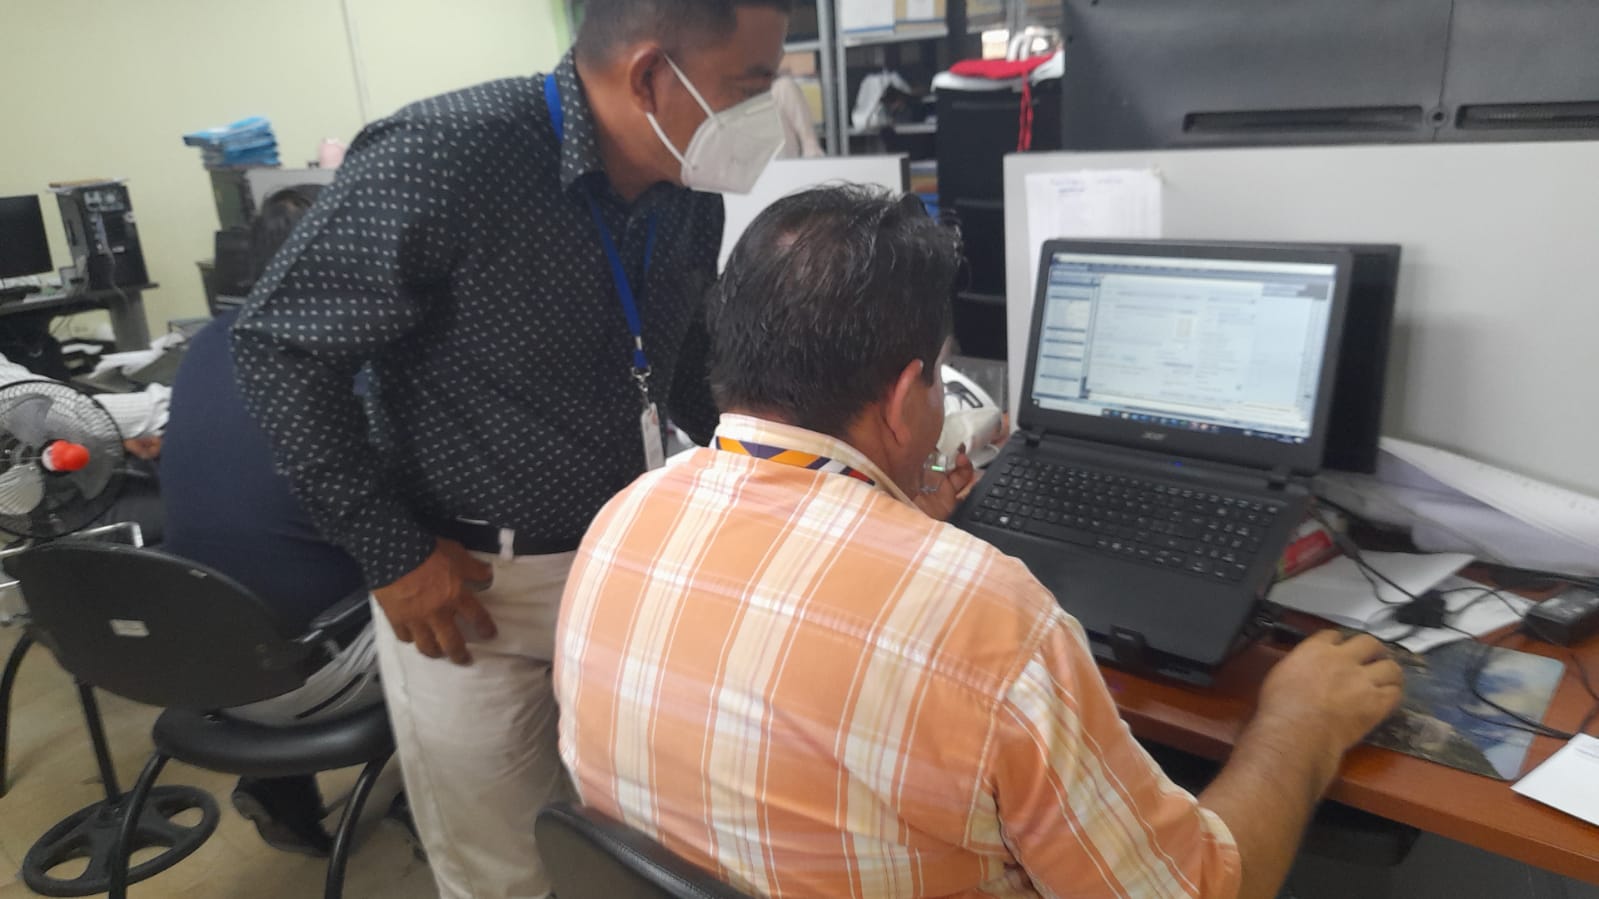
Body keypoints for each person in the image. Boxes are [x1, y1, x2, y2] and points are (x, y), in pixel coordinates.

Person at [554, 186, 1404, 899]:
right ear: (904, 398)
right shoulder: (988, 617)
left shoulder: (621, 522)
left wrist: (890, 529)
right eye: (938, 373)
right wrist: (1297, 724)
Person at [230, 2, 792, 895]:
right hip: (468, 590)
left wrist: (795, 469)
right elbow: (279, 346)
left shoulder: (687, 187)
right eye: (749, 86)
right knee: (502, 867)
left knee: (632, 838)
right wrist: (389, 549)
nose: (762, 114)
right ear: (651, 76)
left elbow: (686, 362)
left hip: (628, 564)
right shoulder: (445, 156)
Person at [160, 185, 385, 857]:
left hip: (195, 665)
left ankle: (280, 793)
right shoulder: (351, 359)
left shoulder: (207, 346)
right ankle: (466, 806)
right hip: (306, 672)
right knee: (489, 587)